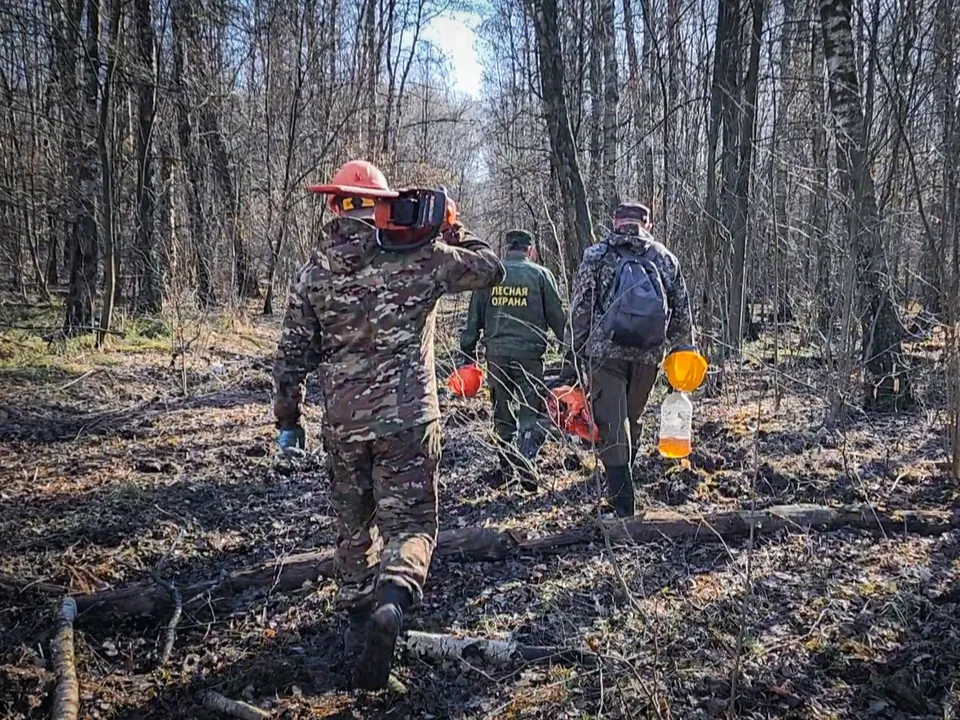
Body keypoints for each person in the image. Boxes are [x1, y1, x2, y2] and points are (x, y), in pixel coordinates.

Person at [272, 159, 503, 690]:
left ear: (334, 205)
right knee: (412, 525)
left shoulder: (314, 273)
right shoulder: (422, 259)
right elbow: (491, 266)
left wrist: (289, 420)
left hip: (344, 426)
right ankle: (393, 603)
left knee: (354, 530)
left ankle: (358, 634)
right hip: (409, 421)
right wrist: (450, 225)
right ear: (379, 206)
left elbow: (289, 361)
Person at [563, 202, 695, 517]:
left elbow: (580, 309)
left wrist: (571, 360)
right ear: (647, 224)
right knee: (631, 420)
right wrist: (682, 355)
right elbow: (681, 315)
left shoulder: (597, 255)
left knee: (611, 425)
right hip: (649, 354)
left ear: (615, 221)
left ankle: (622, 506)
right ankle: (623, 487)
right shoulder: (665, 259)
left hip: (605, 351)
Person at [459, 230, 566, 490]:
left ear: (506, 249)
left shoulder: (490, 275)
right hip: (529, 355)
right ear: (530, 251)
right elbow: (558, 319)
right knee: (531, 410)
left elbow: (474, 319)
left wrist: (467, 354)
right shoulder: (541, 275)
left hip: (497, 355)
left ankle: (507, 465)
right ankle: (526, 458)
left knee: (502, 411)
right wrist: (571, 352)